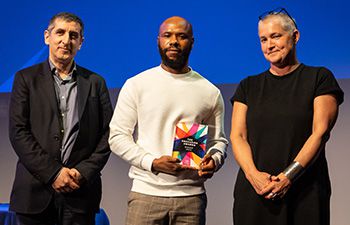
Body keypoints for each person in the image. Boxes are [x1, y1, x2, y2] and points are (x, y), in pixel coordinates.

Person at [230, 7, 344, 225]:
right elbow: (238, 137)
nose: (269, 45)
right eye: (263, 39)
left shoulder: (319, 78)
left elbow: (320, 133)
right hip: (255, 192)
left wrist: (287, 177)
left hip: (304, 193)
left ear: (295, 36)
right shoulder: (248, 86)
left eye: (275, 36)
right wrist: (254, 176)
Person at [109, 16, 228, 225]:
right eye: (167, 35)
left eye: (181, 36)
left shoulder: (210, 92)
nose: (174, 41)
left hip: (191, 198)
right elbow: (117, 137)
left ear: (192, 42)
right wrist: (152, 162)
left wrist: (214, 160)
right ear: (158, 41)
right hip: (145, 194)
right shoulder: (137, 84)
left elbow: (218, 142)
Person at [9, 12, 113, 225]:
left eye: (73, 35)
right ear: (47, 37)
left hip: (80, 192)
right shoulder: (25, 79)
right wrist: (54, 173)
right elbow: (19, 132)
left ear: (80, 43)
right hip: (34, 193)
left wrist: (82, 172)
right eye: (60, 33)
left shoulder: (96, 82)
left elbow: (108, 134)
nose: (66, 40)